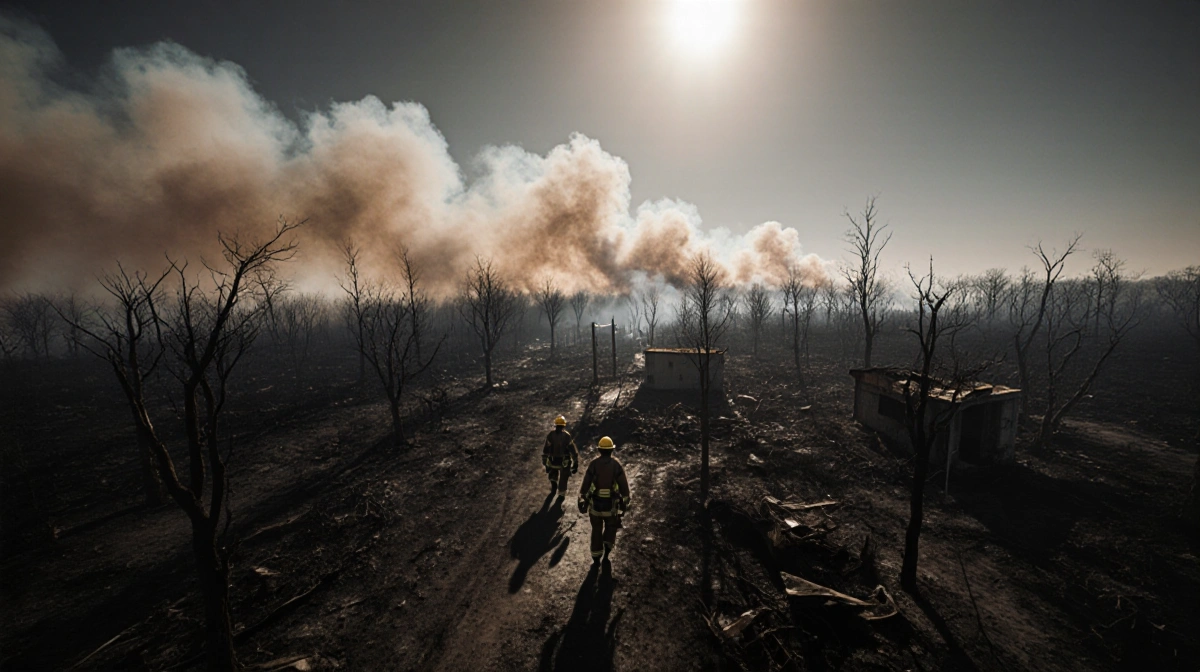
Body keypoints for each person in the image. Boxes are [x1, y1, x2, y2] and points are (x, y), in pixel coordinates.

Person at [577, 436, 631, 564]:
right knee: (611, 527)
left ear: (599, 450)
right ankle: (607, 552)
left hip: (595, 507)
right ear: (611, 450)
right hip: (611, 507)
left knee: (596, 530)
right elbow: (624, 486)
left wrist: (582, 498)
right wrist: (624, 503)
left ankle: (596, 557)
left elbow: (585, 485)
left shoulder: (594, 464)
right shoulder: (616, 465)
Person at [542, 415, 579, 497]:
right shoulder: (567, 436)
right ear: (563, 426)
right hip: (564, 462)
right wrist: (575, 463)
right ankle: (561, 493)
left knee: (552, 474)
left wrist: (545, 461)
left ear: (555, 426)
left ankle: (554, 483)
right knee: (564, 478)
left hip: (553, 461)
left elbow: (546, 449)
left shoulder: (551, 435)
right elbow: (572, 450)